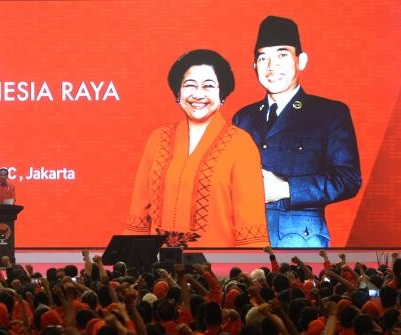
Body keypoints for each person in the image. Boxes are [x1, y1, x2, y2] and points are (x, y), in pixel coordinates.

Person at [233, 15, 361, 248]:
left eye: (282, 55)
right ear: (254, 66)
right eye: (263, 58)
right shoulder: (244, 117)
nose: (272, 67)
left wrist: (285, 188)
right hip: (244, 234)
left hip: (300, 236)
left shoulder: (329, 113)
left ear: (301, 61)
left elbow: (348, 179)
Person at [126, 49, 269, 248]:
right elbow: (139, 214)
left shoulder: (241, 144)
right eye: (189, 86)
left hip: (218, 270)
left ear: (223, 94)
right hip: (158, 268)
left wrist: (247, 274)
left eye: (208, 86)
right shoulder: (158, 139)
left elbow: (251, 224)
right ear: (178, 92)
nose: (198, 95)